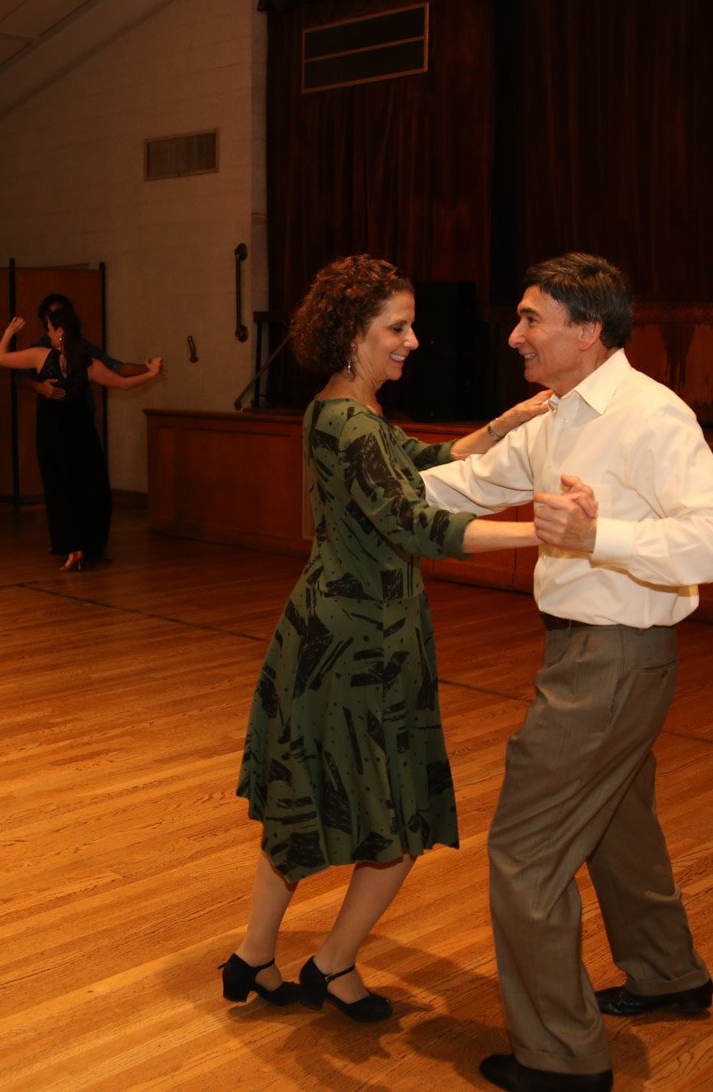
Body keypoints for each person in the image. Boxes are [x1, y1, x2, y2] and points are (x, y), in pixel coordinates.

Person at [419, 254, 713, 1091]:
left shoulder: (651, 415)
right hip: (593, 653)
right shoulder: (554, 418)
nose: (515, 335)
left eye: (532, 319)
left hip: (612, 660)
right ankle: (668, 974)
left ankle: (561, 1057)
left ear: (589, 329)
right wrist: (363, 477)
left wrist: (600, 537)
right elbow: (464, 486)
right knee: (617, 824)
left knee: (525, 850)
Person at [225, 255, 554, 1022]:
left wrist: (505, 423)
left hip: (328, 630)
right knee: (401, 823)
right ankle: (332, 964)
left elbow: (424, 464)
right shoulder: (352, 424)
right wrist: (541, 533)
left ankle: (253, 956)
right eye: (397, 328)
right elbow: (416, 522)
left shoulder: (338, 410)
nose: (412, 341)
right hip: (361, 643)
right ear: (353, 332)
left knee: (302, 804)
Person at [0, 305, 163, 570]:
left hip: (57, 434)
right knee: (84, 488)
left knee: (65, 489)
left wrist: (9, 331)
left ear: (61, 331)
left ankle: (76, 548)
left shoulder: (43, 356)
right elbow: (125, 383)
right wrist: (151, 373)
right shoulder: (88, 363)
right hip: (80, 434)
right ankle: (81, 547)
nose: (47, 334)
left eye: (50, 330)